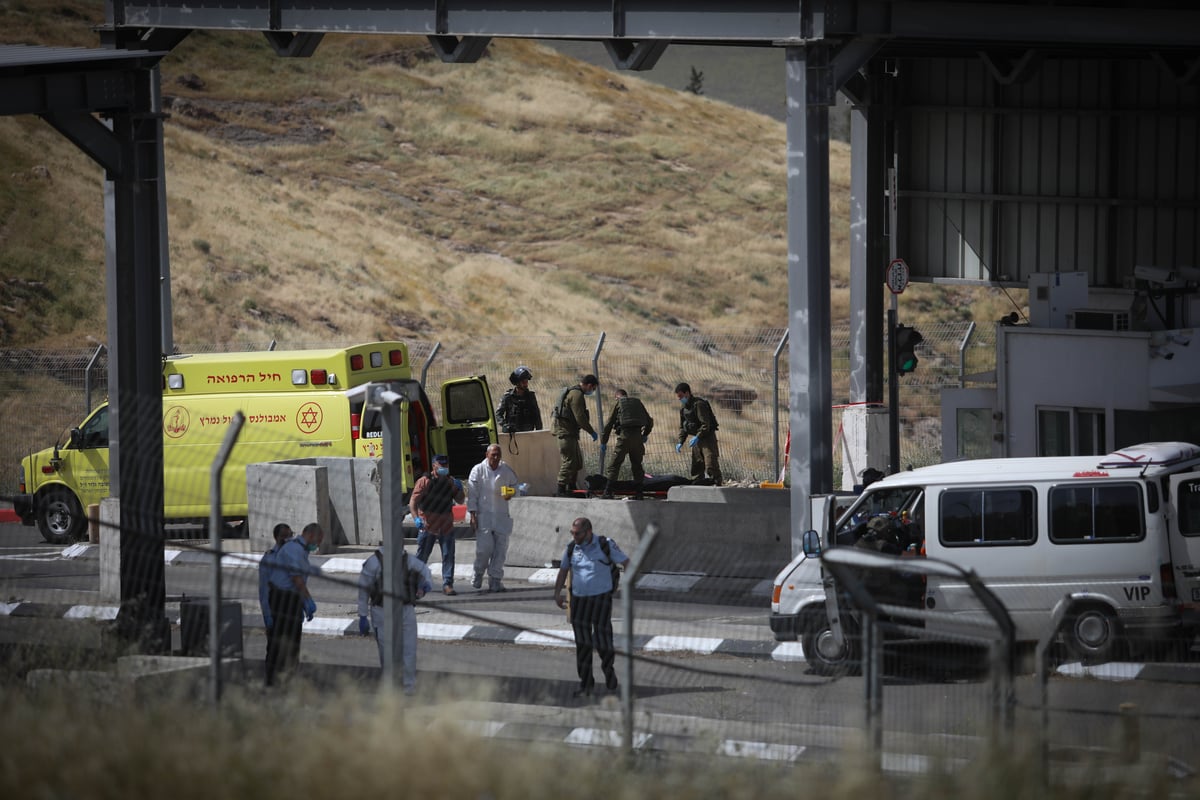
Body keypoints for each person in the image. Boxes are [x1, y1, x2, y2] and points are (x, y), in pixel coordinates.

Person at [553, 517, 629, 697]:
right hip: (579, 602)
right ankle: (586, 684)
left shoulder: (605, 544)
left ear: (588, 532)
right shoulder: (572, 548)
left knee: (603, 640)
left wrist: (629, 585)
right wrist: (557, 593)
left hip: (601, 600)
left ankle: (608, 670)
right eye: (572, 533)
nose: (574, 536)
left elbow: (627, 562)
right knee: (582, 643)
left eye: (577, 533)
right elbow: (563, 570)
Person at [356, 544, 433, 694]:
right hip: (385, 611)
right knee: (397, 652)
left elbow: (425, 571)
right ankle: (400, 688)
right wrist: (363, 615)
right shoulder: (376, 562)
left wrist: (424, 586)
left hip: (401, 609)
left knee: (400, 652)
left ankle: (404, 688)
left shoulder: (405, 559)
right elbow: (364, 590)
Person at [264, 522, 323, 686]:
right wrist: (308, 600)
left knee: (293, 643)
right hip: (282, 600)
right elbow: (296, 578)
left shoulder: (301, 550)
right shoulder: (293, 550)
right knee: (279, 642)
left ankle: (288, 678)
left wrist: (302, 600)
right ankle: (273, 681)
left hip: (291, 599)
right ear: (310, 535)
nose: (317, 545)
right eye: (318, 541)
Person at [467, 443, 521, 592]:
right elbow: (472, 495)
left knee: (500, 550)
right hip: (484, 516)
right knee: (484, 549)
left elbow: (517, 487)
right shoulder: (477, 470)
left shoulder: (506, 470)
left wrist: (511, 493)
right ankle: (478, 573)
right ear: (487, 455)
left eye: (498, 455)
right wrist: (472, 514)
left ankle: (495, 579)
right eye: (493, 455)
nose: (496, 458)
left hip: (501, 515)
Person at [411, 453, 466, 595]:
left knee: (448, 555)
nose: (444, 468)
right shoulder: (424, 481)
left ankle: (448, 584)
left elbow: (460, 500)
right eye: (441, 465)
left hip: (446, 524)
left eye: (446, 465)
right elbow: (413, 503)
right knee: (422, 555)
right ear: (434, 465)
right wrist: (416, 518)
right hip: (427, 525)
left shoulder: (450, 481)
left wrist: (460, 489)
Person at [600, 389, 654, 500]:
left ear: (617, 397)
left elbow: (609, 423)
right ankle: (639, 493)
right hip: (638, 438)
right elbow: (650, 421)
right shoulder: (637, 403)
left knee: (614, 464)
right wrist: (645, 434)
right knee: (637, 465)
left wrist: (603, 441)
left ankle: (608, 492)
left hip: (624, 437)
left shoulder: (618, 403)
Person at [551, 373, 599, 497]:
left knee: (577, 462)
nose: (592, 391)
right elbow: (580, 418)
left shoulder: (575, 393)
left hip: (570, 433)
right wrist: (591, 431)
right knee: (569, 461)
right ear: (589, 385)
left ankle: (572, 487)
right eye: (593, 389)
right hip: (565, 433)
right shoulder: (577, 395)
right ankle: (561, 489)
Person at [258, 522, 292, 673]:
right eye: (286, 536)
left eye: (291, 535)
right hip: (275, 606)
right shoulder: (269, 558)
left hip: (291, 606)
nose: (290, 539)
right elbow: (264, 589)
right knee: (274, 648)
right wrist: (266, 614)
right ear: (278, 538)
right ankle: (271, 681)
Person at [675, 382, 722, 486]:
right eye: (678, 396)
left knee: (711, 464)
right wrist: (680, 442)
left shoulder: (699, 404)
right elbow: (683, 427)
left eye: (681, 396)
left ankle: (717, 485)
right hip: (696, 439)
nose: (679, 398)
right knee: (697, 466)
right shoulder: (684, 408)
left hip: (707, 438)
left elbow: (706, 425)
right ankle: (698, 487)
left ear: (687, 393)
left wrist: (698, 437)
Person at [495, 365, 543, 434]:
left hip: (528, 433)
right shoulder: (508, 397)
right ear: (517, 383)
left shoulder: (530, 396)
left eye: (526, 382)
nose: (526, 384)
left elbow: (536, 415)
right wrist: (505, 425)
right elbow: (498, 414)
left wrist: (539, 432)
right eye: (523, 382)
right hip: (513, 434)